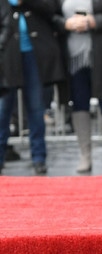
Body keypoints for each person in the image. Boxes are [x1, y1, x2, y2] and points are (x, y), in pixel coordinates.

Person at [62, 0, 102, 174]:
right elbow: (51, 15)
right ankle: (85, 155)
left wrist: (94, 21)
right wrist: (66, 23)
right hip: (73, 58)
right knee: (78, 103)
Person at [0, 0, 64, 176]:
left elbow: (52, 9)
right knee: (3, 109)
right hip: (6, 56)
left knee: (36, 109)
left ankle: (39, 158)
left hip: (34, 55)